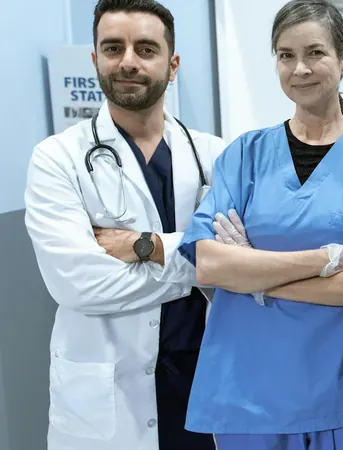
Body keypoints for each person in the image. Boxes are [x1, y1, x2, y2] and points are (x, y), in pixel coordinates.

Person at [176, 1, 343, 449]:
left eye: (315, 53)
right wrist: (326, 260)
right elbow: (208, 264)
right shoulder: (244, 154)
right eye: (286, 55)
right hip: (250, 391)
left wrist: (253, 277)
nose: (300, 68)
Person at [23, 1, 225, 449]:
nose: (128, 61)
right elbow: (79, 285)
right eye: (113, 48)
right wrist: (197, 262)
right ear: (95, 59)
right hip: (105, 400)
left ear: (172, 65)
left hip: (199, 382)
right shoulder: (58, 159)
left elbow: (238, 263)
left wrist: (146, 247)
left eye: (146, 49)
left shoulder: (215, 156)